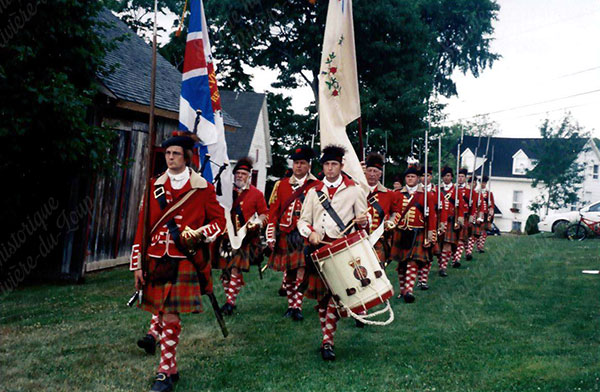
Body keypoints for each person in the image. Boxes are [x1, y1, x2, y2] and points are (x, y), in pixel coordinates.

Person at [130, 132, 225, 392]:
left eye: (175, 154)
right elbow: (142, 226)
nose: (170, 158)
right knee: (160, 313)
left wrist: (200, 233)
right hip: (156, 258)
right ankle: (171, 369)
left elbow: (220, 221)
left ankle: (164, 373)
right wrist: (137, 264)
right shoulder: (154, 185)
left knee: (170, 314)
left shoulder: (202, 187)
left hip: (185, 258)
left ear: (187, 157)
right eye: (168, 154)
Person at [297, 145, 369, 361]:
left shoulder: (354, 189)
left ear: (341, 165)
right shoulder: (313, 191)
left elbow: (366, 220)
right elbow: (303, 221)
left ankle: (327, 340)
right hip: (318, 250)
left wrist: (365, 220)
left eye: (334, 164)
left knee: (333, 295)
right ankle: (327, 338)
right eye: (327, 164)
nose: (330, 168)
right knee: (322, 297)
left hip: (342, 249)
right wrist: (309, 234)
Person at [266, 145, 321, 321]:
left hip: (305, 235)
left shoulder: (317, 186)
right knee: (289, 273)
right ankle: (291, 305)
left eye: (302, 163)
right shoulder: (281, 185)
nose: (298, 166)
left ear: (309, 166)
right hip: (285, 234)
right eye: (296, 163)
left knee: (301, 271)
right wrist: (270, 234)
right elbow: (273, 211)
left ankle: (297, 306)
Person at [218, 157, 268, 315]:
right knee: (225, 272)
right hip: (226, 237)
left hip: (244, 238)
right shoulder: (225, 192)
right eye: (237, 173)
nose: (239, 176)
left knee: (235, 269)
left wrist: (258, 223)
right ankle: (229, 299)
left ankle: (230, 303)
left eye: (243, 174)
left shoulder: (256, 194)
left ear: (249, 176)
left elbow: (264, 214)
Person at [390, 166, 436, 302]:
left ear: (418, 179)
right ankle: (403, 290)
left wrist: (430, 236)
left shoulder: (426, 196)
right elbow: (392, 212)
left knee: (413, 262)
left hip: (418, 231)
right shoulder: (397, 194)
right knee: (402, 264)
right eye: (408, 177)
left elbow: (431, 217)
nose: (410, 179)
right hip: (401, 232)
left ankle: (409, 290)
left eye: (413, 177)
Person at [363, 152, 396, 266]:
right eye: (369, 170)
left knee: (378, 271)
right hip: (359, 239)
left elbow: (395, 213)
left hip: (378, 238)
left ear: (380, 174)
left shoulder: (389, 194)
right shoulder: (356, 190)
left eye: (375, 171)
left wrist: (390, 222)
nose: (372, 174)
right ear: (365, 172)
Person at [436, 166, 466, 275]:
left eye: (449, 175)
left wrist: (459, 220)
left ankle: (443, 268)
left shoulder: (456, 190)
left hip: (451, 221)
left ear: (452, 177)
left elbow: (461, 206)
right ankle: (441, 264)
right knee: (439, 244)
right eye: (445, 176)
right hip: (439, 221)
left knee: (447, 244)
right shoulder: (437, 189)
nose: (447, 178)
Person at [416, 166, 439, 287]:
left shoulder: (436, 191)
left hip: (432, 223)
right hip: (418, 225)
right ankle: (417, 278)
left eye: (428, 176)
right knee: (417, 254)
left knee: (429, 253)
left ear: (431, 177)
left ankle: (423, 279)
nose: (425, 178)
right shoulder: (416, 191)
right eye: (423, 176)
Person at [453, 168, 473, 264]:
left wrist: (472, 217)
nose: (460, 178)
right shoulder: (453, 188)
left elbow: (473, 206)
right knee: (454, 238)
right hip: (453, 216)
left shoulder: (469, 190)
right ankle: (455, 257)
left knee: (462, 238)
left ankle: (457, 259)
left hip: (464, 216)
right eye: (459, 176)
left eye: (462, 177)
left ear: (465, 178)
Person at [473, 175, 495, 253]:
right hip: (478, 213)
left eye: (485, 183)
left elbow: (492, 205)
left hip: (485, 213)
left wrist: (490, 213)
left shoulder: (489, 194)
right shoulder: (476, 192)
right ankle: (478, 245)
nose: (483, 184)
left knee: (484, 230)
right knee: (477, 230)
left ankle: (481, 246)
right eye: (482, 182)